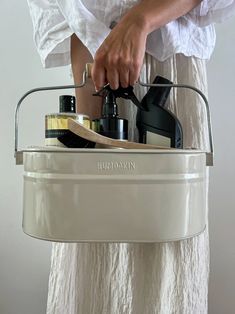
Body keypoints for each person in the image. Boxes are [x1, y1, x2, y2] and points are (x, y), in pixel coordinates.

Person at [27, 1, 235, 313]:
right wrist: (88, 131)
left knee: (165, 255)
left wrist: (140, 20)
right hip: (95, 71)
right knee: (91, 255)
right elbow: (70, 13)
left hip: (169, 78)